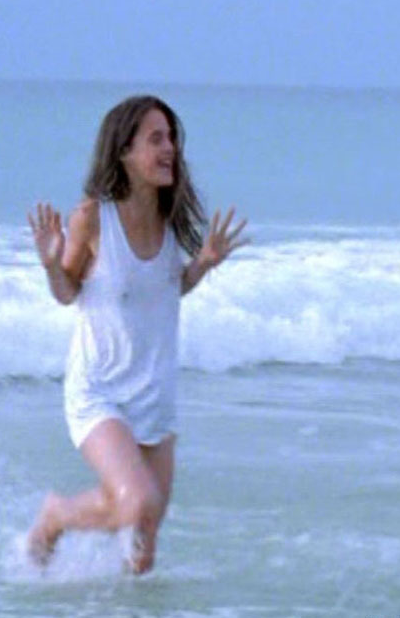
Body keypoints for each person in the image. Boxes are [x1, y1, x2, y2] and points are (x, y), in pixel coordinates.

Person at [26, 95, 248, 574]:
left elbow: (167, 289)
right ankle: (57, 515)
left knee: (143, 551)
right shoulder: (93, 217)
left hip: (154, 395)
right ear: (124, 151)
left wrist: (202, 265)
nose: (169, 149)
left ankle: (117, 605)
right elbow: (67, 292)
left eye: (171, 139)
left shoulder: (170, 218)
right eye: (156, 139)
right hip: (100, 390)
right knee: (137, 502)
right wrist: (51, 264)